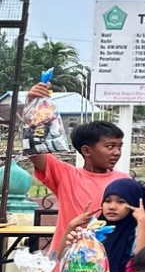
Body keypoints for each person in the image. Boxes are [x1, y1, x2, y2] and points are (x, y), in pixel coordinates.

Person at [23, 84, 128, 252]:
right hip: (67, 264)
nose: (117, 152)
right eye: (110, 147)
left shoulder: (124, 181)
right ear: (87, 150)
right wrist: (32, 106)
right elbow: (34, 149)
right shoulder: (66, 175)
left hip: (106, 265)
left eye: (119, 147)